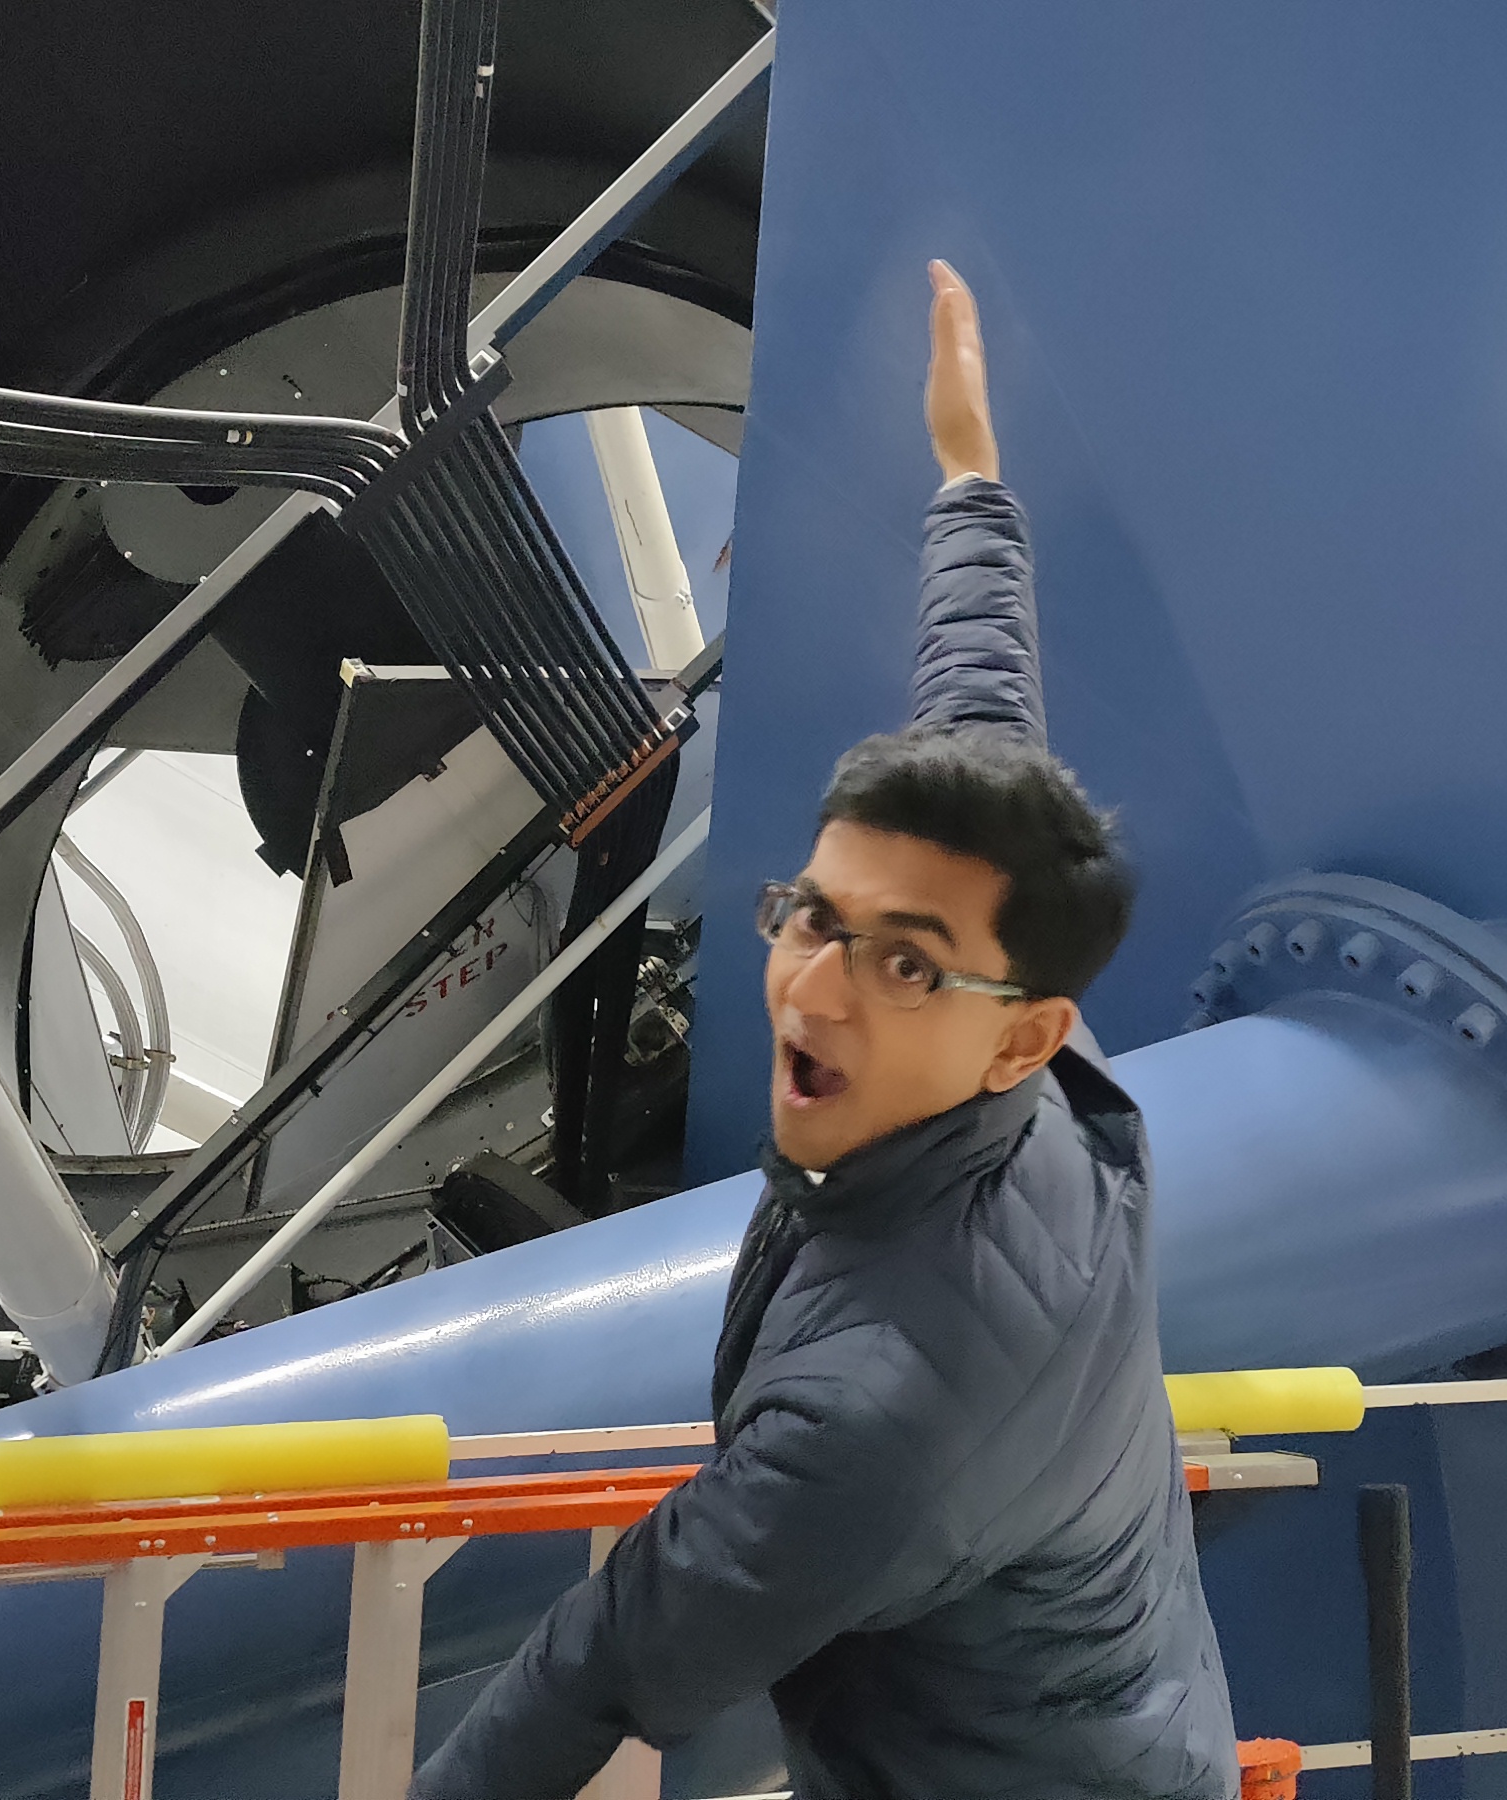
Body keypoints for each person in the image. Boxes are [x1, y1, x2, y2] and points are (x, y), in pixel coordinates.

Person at [412, 262, 1238, 1800]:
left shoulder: (883, 1411)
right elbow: (980, 705)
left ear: (1019, 1036)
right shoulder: (1039, 1080)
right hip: (1134, 1716)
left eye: (906, 968)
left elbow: (602, 1663)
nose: (815, 984)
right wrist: (971, 480)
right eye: (811, 912)